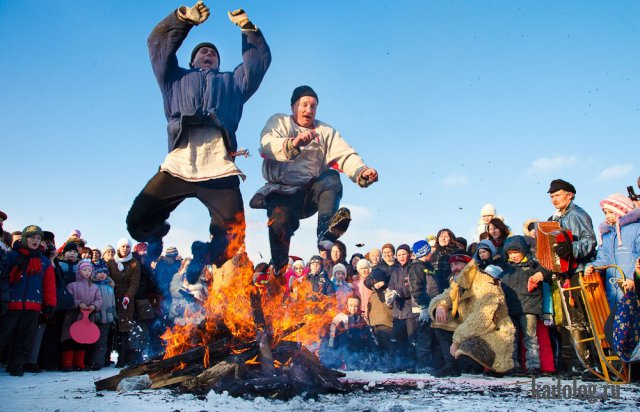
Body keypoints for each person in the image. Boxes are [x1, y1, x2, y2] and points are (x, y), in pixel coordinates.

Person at [126, 1, 272, 284]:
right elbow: (157, 45)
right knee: (137, 221)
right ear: (192, 61)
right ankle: (155, 238)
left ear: (218, 63)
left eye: (213, 54)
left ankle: (203, 256)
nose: (208, 55)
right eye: (203, 52)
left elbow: (257, 66)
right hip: (181, 162)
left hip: (217, 166)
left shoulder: (233, 83)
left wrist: (248, 29)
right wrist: (183, 19)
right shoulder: (174, 78)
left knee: (233, 238)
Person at [250, 85, 378, 276]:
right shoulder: (279, 122)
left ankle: (325, 234)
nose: (308, 110)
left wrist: (362, 170)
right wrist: (293, 143)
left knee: (331, 178)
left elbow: (345, 154)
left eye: (313, 106)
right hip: (282, 192)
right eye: (304, 105)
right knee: (279, 220)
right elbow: (266, 145)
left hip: (309, 194)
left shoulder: (324, 131)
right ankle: (279, 267)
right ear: (293, 106)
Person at [429, 257, 515, 377]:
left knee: (484, 364)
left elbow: (482, 319)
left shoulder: (485, 282)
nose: (454, 268)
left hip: (493, 331)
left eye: (457, 264)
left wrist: (456, 341)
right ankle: (451, 366)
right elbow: (445, 295)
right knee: (440, 320)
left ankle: (485, 366)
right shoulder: (458, 282)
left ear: (468, 265)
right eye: (452, 265)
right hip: (470, 328)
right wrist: (441, 305)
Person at [546, 178, 597, 378]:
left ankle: (592, 364)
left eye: (557, 195)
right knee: (569, 321)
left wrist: (572, 249)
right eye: (551, 197)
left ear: (570, 194)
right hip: (563, 273)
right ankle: (575, 364)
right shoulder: (553, 219)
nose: (554, 200)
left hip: (579, 271)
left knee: (583, 319)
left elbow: (590, 241)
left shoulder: (577, 214)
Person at [0, 225, 56, 376]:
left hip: (33, 305)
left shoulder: (44, 261)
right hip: (12, 304)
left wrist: (50, 304)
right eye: (32, 237)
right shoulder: (12, 256)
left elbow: (49, 285)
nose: (36, 241)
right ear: (25, 238)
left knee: (25, 339)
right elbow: (4, 278)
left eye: (38, 238)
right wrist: (4, 298)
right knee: (3, 336)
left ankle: (17, 366)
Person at [500, 236, 551, 375]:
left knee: (530, 338)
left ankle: (533, 366)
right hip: (511, 307)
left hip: (529, 307)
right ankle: (513, 365)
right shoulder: (506, 269)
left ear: (523, 251)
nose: (513, 256)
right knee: (512, 338)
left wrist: (540, 274)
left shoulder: (533, 265)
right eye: (510, 253)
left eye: (516, 252)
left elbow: (548, 271)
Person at [585, 193, 639, 309]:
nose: (607, 216)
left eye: (611, 212)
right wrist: (593, 267)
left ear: (622, 210)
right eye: (605, 213)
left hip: (633, 288)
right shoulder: (606, 235)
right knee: (615, 325)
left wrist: (632, 277)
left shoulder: (636, 229)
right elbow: (603, 259)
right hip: (614, 292)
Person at [60, 260, 102, 372]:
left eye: (89, 270)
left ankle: (80, 362)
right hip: (73, 316)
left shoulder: (94, 287)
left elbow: (99, 299)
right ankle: (68, 362)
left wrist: (94, 305)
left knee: (83, 339)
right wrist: (78, 304)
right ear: (79, 271)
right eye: (84, 270)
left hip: (87, 318)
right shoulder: (72, 286)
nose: (87, 272)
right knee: (70, 338)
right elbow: (68, 299)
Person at [407, 240, 441, 371]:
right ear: (425, 252)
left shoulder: (428, 266)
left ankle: (433, 364)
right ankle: (423, 365)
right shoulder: (417, 267)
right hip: (422, 309)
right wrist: (424, 307)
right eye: (429, 251)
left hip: (432, 306)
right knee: (424, 337)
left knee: (434, 337)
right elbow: (416, 289)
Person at [107, 238, 141, 368]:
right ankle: (106, 358)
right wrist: (111, 285)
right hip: (112, 295)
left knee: (124, 328)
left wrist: (128, 296)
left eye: (127, 246)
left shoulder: (134, 263)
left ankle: (122, 358)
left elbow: (134, 282)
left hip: (127, 298)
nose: (125, 249)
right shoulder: (111, 262)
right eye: (123, 246)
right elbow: (107, 276)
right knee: (110, 326)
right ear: (118, 248)